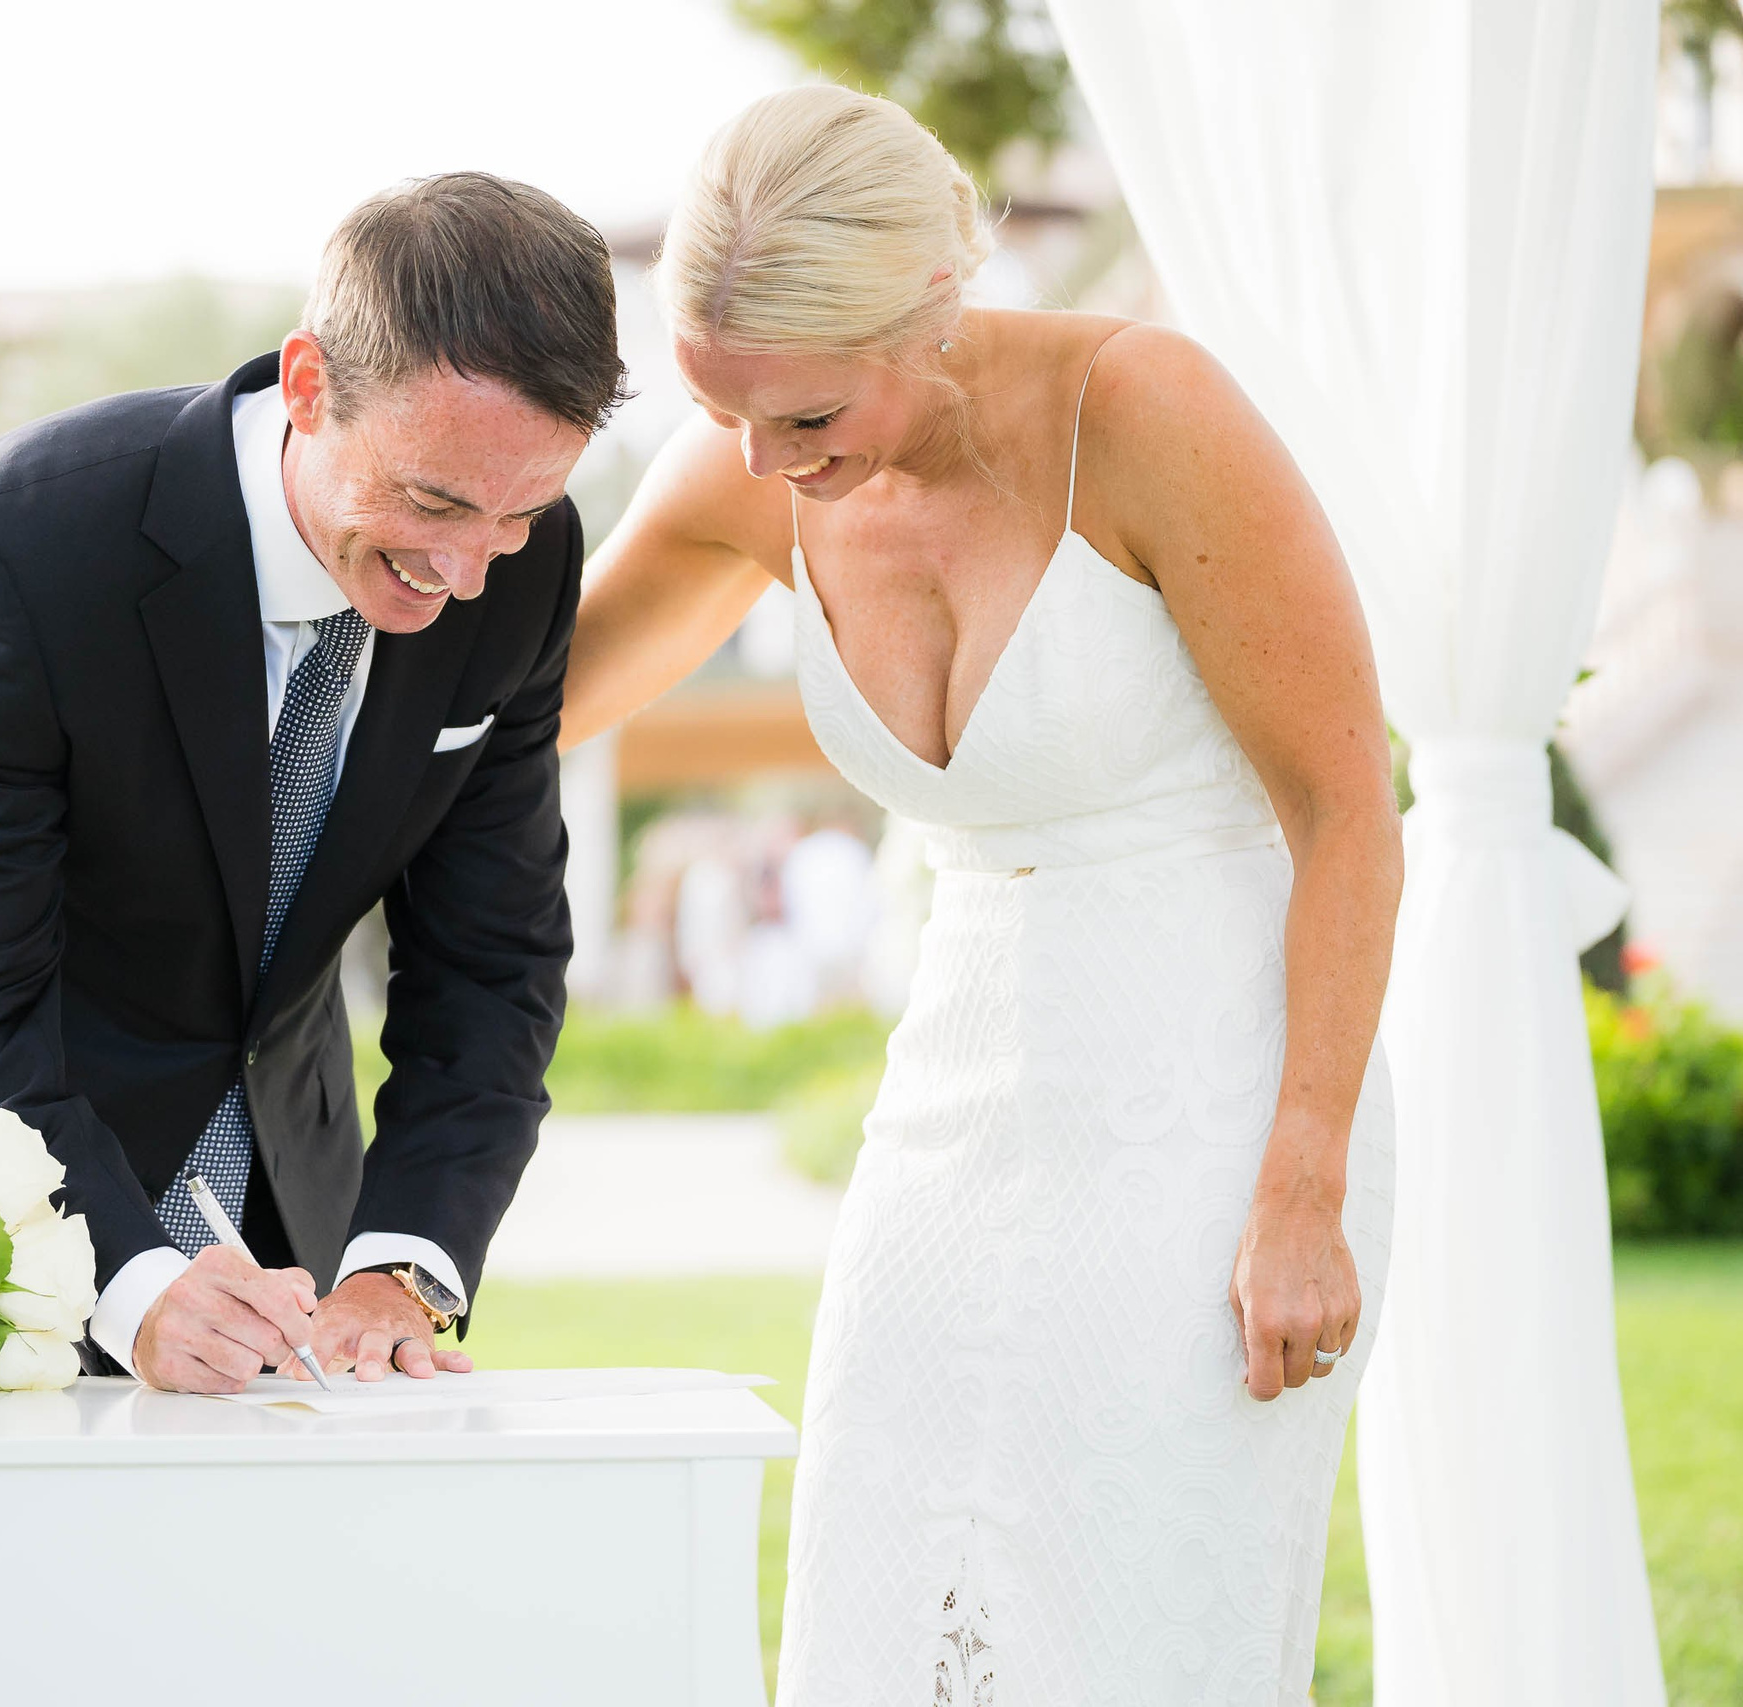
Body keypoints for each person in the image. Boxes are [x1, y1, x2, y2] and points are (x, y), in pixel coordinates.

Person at [562, 85, 1398, 1703]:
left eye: (803, 419)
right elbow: (529, 706)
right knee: (882, 1566)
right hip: (957, 1097)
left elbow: (1348, 809)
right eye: (721, 411)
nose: (758, 465)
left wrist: (1307, 1182)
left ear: (934, 304)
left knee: (1132, 1596)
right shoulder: (763, 461)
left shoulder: (1145, 411)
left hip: (1219, 1095)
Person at [0, 173, 626, 1394]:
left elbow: (491, 958)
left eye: (520, 513)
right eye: (432, 500)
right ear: (310, 385)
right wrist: (130, 1278)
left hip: (272, 1174)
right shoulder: (19, 549)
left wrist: (403, 1262)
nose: (468, 573)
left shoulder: (525, 575)